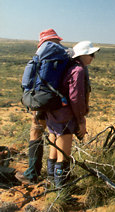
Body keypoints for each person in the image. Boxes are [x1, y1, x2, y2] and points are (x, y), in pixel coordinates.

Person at [46, 41, 100, 187]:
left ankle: (50, 181)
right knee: (63, 156)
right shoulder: (78, 70)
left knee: (54, 150)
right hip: (64, 117)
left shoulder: (67, 67)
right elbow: (75, 98)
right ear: (82, 55)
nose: (93, 58)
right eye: (91, 54)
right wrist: (80, 119)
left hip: (53, 113)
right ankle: (61, 189)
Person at [17, 29, 65, 184]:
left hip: (40, 99)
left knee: (36, 132)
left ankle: (32, 173)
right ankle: (56, 177)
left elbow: (27, 80)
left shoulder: (41, 54)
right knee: (57, 135)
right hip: (58, 100)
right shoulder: (64, 55)